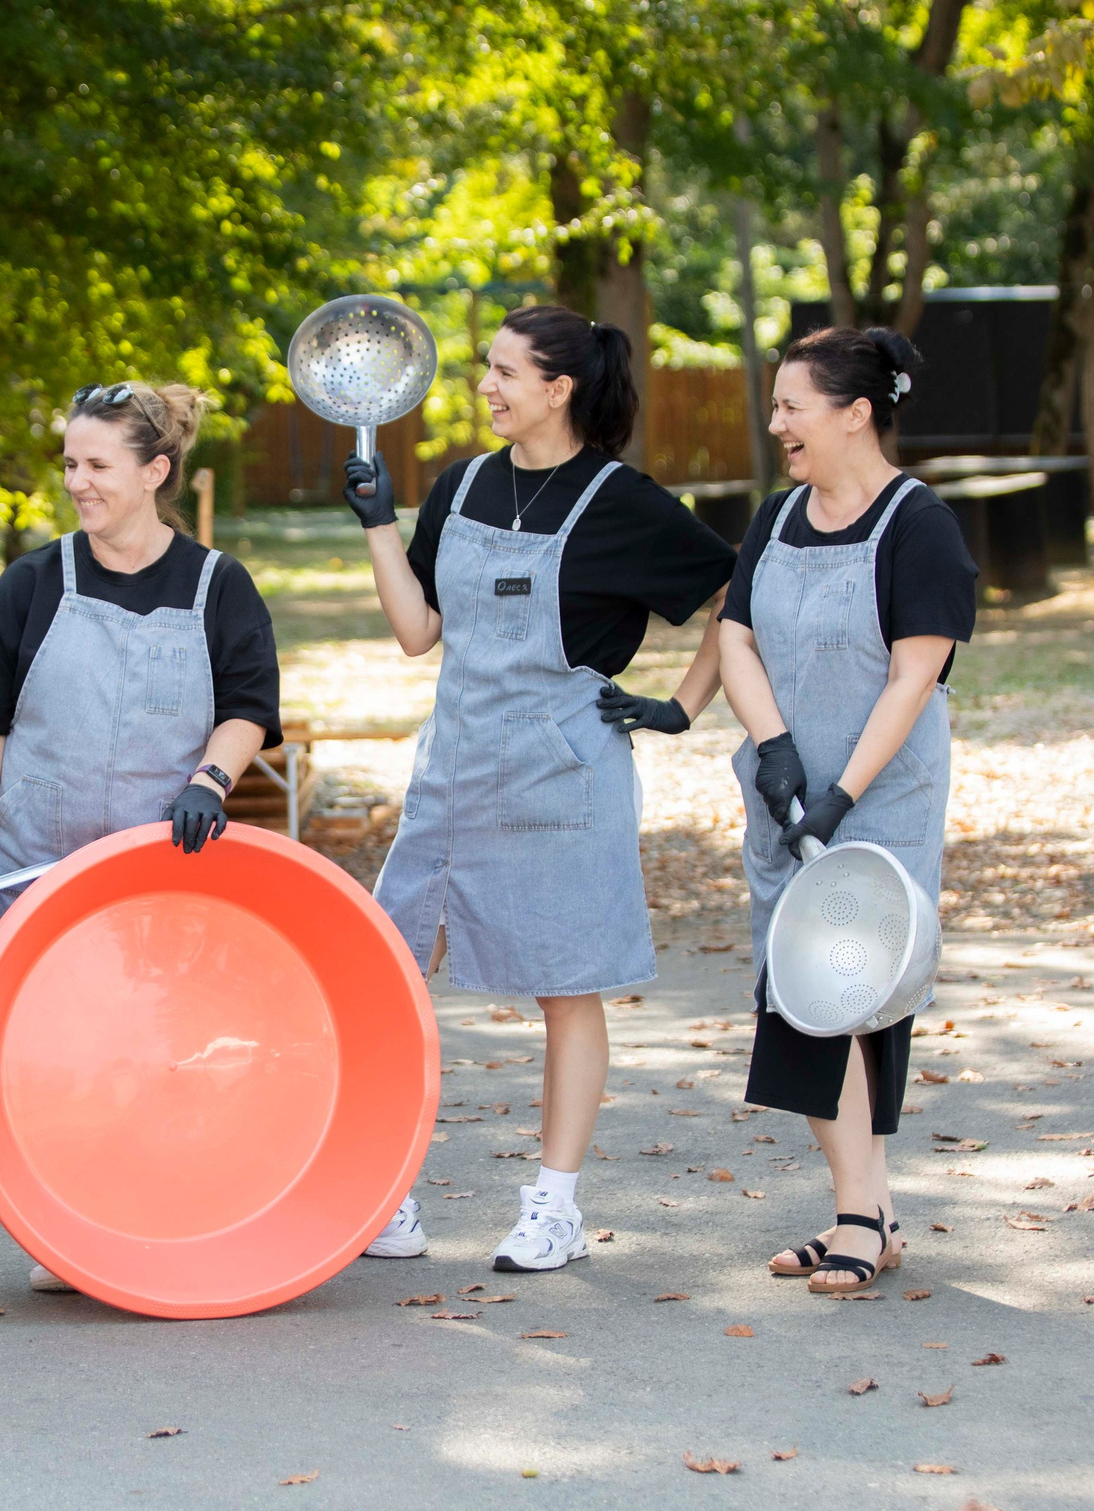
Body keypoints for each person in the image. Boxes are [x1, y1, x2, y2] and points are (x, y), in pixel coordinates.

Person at [346, 306, 736, 1273]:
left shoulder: (622, 501)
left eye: (505, 371)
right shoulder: (461, 486)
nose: (485, 385)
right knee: (388, 974)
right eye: (487, 367)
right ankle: (382, 1192)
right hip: (454, 769)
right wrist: (379, 525)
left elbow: (737, 596)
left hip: (564, 776)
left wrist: (683, 705)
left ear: (559, 389)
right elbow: (417, 632)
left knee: (566, 988)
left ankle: (554, 1208)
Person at [0, 380, 281, 1291]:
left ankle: (155, 1227)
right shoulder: (32, 582)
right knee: (50, 1061)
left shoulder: (217, 584)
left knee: (156, 1058)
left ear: (155, 471)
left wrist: (210, 780)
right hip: (32, 870)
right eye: (69, 463)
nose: (77, 481)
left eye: (97, 464)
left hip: (157, 874)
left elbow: (249, 705)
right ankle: (65, 1233)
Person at [720, 327, 978, 1295]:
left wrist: (841, 794)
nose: (776, 422)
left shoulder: (919, 523)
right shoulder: (777, 517)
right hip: (784, 798)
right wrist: (775, 749)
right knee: (799, 994)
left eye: (793, 405)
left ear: (856, 412)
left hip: (879, 802)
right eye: (775, 405)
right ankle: (866, 1211)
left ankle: (862, 1212)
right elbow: (734, 637)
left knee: (855, 998)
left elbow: (915, 675)